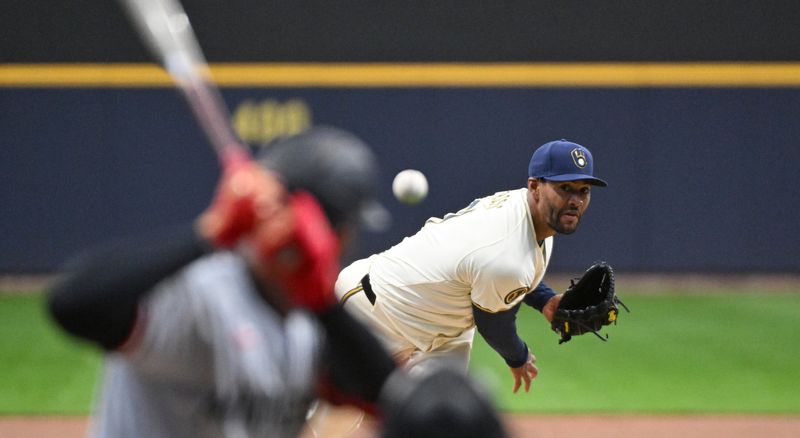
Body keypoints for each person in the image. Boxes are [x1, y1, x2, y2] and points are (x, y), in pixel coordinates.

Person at [47, 126, 509, 438]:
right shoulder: (198, 294)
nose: (349, 241)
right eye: (347, 226)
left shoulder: (304, 320)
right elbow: (74, 304)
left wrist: (320, 302)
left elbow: (394, 401)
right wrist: (209, 234)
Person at [335, 139, 608, 394]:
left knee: (443, 422)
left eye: (583, 190)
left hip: (442, 333)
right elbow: (493, 323)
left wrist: (547, 301)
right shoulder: (505, 247)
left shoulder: (533, 217)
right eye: (565, 188)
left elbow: (513, 270)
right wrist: (519, 357)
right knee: (332, 423)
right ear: (535, 187)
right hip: (377, 310)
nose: (575, 200)